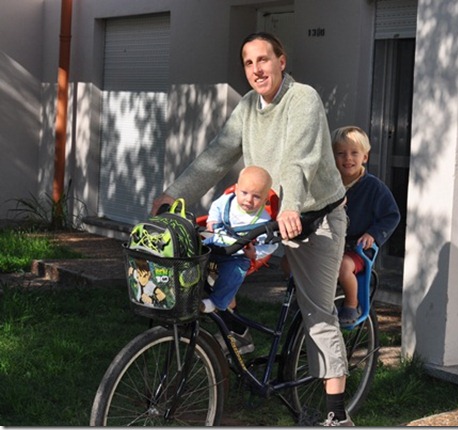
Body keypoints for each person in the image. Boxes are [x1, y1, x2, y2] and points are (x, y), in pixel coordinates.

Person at [151, 32, 353, 426]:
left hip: (314, 217)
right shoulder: (247, 107)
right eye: (248, 63)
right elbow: (214, 157)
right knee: (214, 262)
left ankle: (336, 414)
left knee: (317, 312)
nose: (257, 69)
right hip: (270, 215)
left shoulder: (303, 98)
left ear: (281, 60)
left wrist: (291, 206)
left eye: (264, 60)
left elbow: (300, 160)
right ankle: (238, 332)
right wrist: (173, 195)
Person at [331, 126, 401, 325]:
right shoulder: (330, 184)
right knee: (294, 261)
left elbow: (391, 215)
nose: (348, 159)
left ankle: (351, 305)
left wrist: (374, 234)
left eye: (354, 153)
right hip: (332, 244)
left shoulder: (373, 187)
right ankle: (303, 300)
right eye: (341, 154)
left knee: (343, 266)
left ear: (365, 157)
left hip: (358, 248)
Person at [200, 165, 278, 312]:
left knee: (234, 273)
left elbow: (270, 245)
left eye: (256, 196)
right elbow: (215, 207)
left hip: (237, 255)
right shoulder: (227, 201)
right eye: (244, 193)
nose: (249, 200)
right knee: (193, 252)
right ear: (236, 189)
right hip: (216, 243)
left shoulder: (264, 221)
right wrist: (212, 221)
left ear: (266, 198)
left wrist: (255, 252)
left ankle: (216, 302)